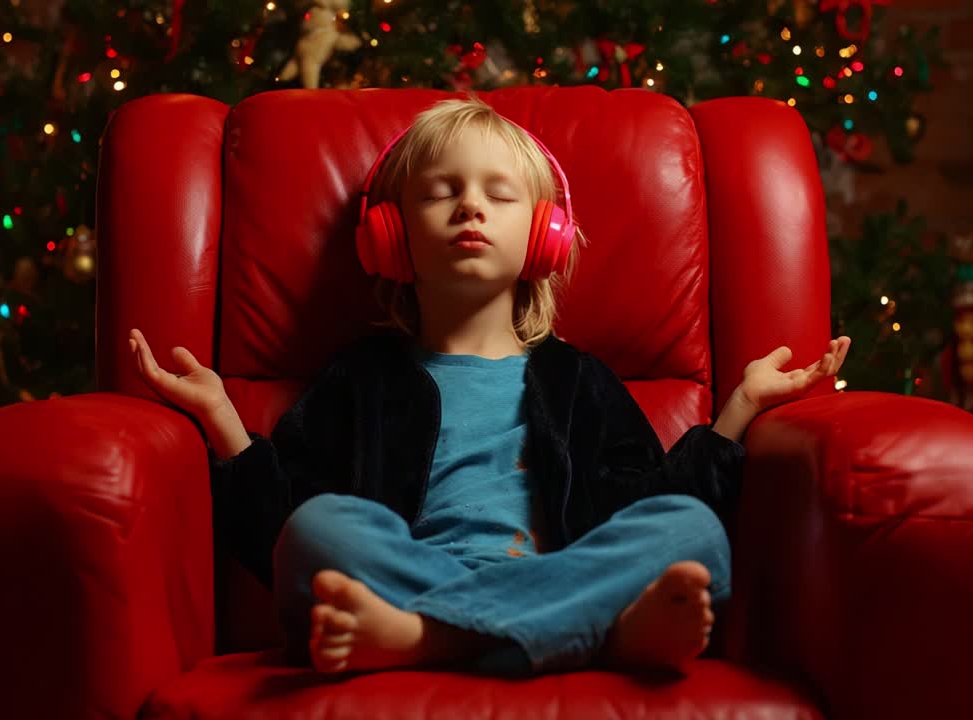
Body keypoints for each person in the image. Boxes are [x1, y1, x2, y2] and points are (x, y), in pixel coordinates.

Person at [127, 95, 850, 678]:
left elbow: (649, 499)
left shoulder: (578, 380)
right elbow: (278, 529)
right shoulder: (362, 377)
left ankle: (426, 641)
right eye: (442, 192)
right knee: (320, 533)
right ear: (390, 235)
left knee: (692, 535)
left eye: (498, 196)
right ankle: (590, 636)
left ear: (544, 238)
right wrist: (222, 418)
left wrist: (740, 410)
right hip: (407, 573)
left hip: (529, 577)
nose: (470, 207)